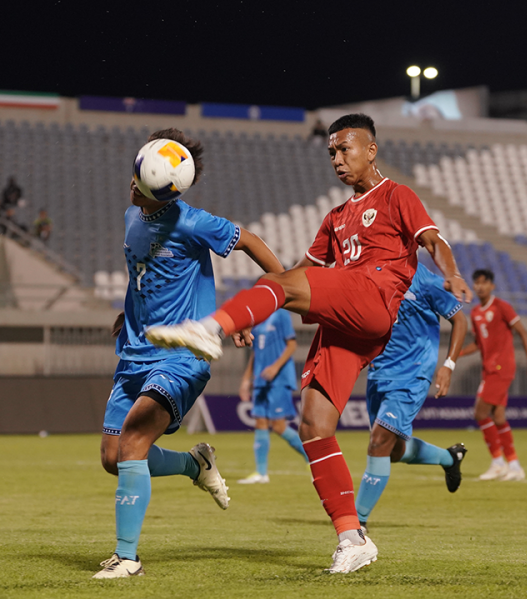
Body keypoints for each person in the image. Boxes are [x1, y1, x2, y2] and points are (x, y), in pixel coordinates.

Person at [146, 113, 472, 573]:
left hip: (375, 297)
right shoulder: (336, 217)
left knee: (288, 287)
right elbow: (292, 274)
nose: (337, 159)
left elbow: (433, 240)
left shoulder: (397, 196)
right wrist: (253, 313)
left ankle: (207, 329)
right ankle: (352, 538)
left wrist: (452, 273)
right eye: (332, 152)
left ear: (371, 149)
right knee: (314, 426)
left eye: (346, 149)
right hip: (347, 324)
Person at [93, 128, 284, 579]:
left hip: (183, 355)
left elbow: (252, 241)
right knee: (112, 457)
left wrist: (279, 294)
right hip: (135, 353)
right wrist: (128, 313)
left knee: (135, 441)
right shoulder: (131, 216)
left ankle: (127, 558)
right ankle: (193, 463)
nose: (132, 184)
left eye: (139, 180)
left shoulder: (193, 222)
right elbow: (143, 274)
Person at [354, 263, 469, 531]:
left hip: (413, 373)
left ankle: (356, 524)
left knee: (378, 442)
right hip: (379, 372)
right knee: (393, 451)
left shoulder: (426, 280)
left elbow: (459, 320)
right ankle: (449, 458)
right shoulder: (372, 274)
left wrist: (448, 365)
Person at [460, 269, 527, 482]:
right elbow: (478, 343)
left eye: (484, 283)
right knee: (498, 417)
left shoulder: (502, 307)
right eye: (476, 283)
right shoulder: (475, 312)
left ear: (492, 286)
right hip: (488, 370)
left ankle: (498, 462)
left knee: (480, 413)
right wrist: (457, 353)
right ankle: (514, 465)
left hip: (501, 368)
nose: (480, 286)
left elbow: (523, 333)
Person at [237, 308, 307, 484]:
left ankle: (312, 459)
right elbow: (255, 352)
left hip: (279, 379)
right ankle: (261, 473)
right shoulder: (257, 319)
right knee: (260, 421)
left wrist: (275, 367)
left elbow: (292, 344)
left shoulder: (281, 314)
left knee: (278, 426)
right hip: (261, 379)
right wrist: (246, 378)